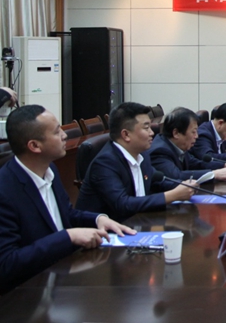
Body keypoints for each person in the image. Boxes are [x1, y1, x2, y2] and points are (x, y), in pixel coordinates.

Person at [0, 105, 135, 293]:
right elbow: (6, 264)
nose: (65, 136)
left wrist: (98, 219)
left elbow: (66, 214)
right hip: (25, 294)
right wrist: (67, 237)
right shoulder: (5, 189)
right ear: (35, 146)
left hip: (57, 278)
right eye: (57, 132)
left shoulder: (50, 170)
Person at [76, 102, 196, 222]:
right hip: (106, 230)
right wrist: (173, 195)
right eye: (146, 128)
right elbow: (122, 204)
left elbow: (158, 182)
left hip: (138, 222)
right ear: (126, 134)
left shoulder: (142, 155)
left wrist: (185, 186)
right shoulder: (105, 163)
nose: (152, 133)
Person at [147, 107, 226, 182]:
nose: (196, 136)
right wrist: (212, 174)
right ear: (176, 133)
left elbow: (195, 163)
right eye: (193, 132)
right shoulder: (160, 151)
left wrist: (224, 165)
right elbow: (176, 176)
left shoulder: (178, 145)